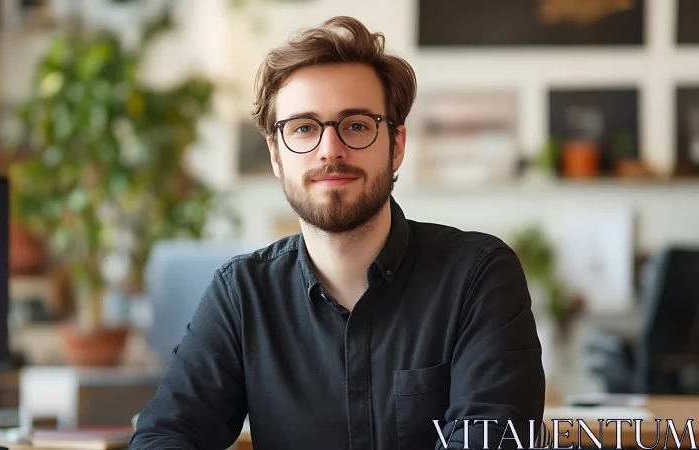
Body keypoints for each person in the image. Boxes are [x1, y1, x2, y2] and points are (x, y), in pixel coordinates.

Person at [131, 16, 546, 450]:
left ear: (396, 145)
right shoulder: (242, 295)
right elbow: (166, 436)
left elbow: (493, 439)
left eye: (357, 125)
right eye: (304, 128)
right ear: (276, 155)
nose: (331, 149)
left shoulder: (476, 277)